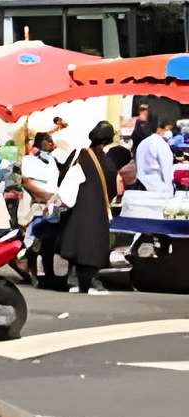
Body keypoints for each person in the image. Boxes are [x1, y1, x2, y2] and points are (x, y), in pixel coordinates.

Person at [55, 121, 125, 295]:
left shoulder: (78, 155)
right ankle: (91, 282)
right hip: (98, 212)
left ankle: (74, 280)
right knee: (92, 246)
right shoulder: (108, 163)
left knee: (76, 242)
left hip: (76, 210)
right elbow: (113, 190)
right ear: (108, 140)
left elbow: (62, 178)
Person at [19, 131, 64, 286]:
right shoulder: (28, 160)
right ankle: (31, 270)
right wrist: (45, 196)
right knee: (33, 241)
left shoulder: (53, 161)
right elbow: (27, 183)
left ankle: (43, 273)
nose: (51, 144)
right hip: (35, 206)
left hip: (50, 206)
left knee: (44, 241)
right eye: (48, 141)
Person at [135, 112, 177, 199]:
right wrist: (170, 194)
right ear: (159, 128)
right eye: (168, 129)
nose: (169, 132)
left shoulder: (143, 142)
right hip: (158, 190)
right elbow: (166, 171)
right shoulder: (161, 145)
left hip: (142, 187)